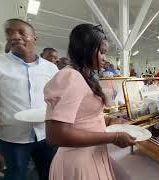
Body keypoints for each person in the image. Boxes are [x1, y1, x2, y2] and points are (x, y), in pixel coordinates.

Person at [44, 23, 136, 180]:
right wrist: (113, 137)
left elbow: (83, 116)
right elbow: (56, 135)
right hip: (78, 159)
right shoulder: (70, 77)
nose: (104, 58)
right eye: (101, 52)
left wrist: (109, 120)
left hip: (91, 153)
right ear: (85, 49)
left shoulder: (84, 75)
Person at [0, 18, 58, 180]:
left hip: (46, 136)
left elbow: (58, 100)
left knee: (50, 175)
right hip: (11, 140)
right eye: (10, 32)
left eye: (21, 32)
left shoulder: (50, 68)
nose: (15, 36)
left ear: (35, 38)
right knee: (14, 177)